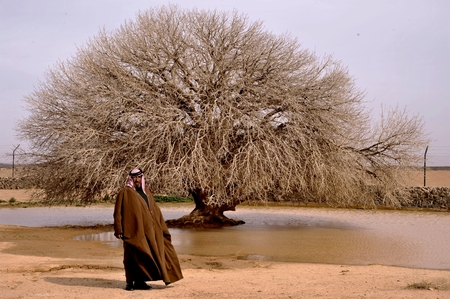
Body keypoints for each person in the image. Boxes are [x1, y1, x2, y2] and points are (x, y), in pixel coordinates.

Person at [113, 168, 183, 291]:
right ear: (130, 178)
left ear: (142, 177)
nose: (136, 180)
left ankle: (140, 282)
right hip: (132, 231)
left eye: (139, 177)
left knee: (146, 256)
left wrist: (161, 228)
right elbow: (117, 212)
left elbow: (155, 211)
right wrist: (118, 229)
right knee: (131, 257)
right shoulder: (124, 192)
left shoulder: (147, 193)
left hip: (150, 232)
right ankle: (130, 283)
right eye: (134, 177)